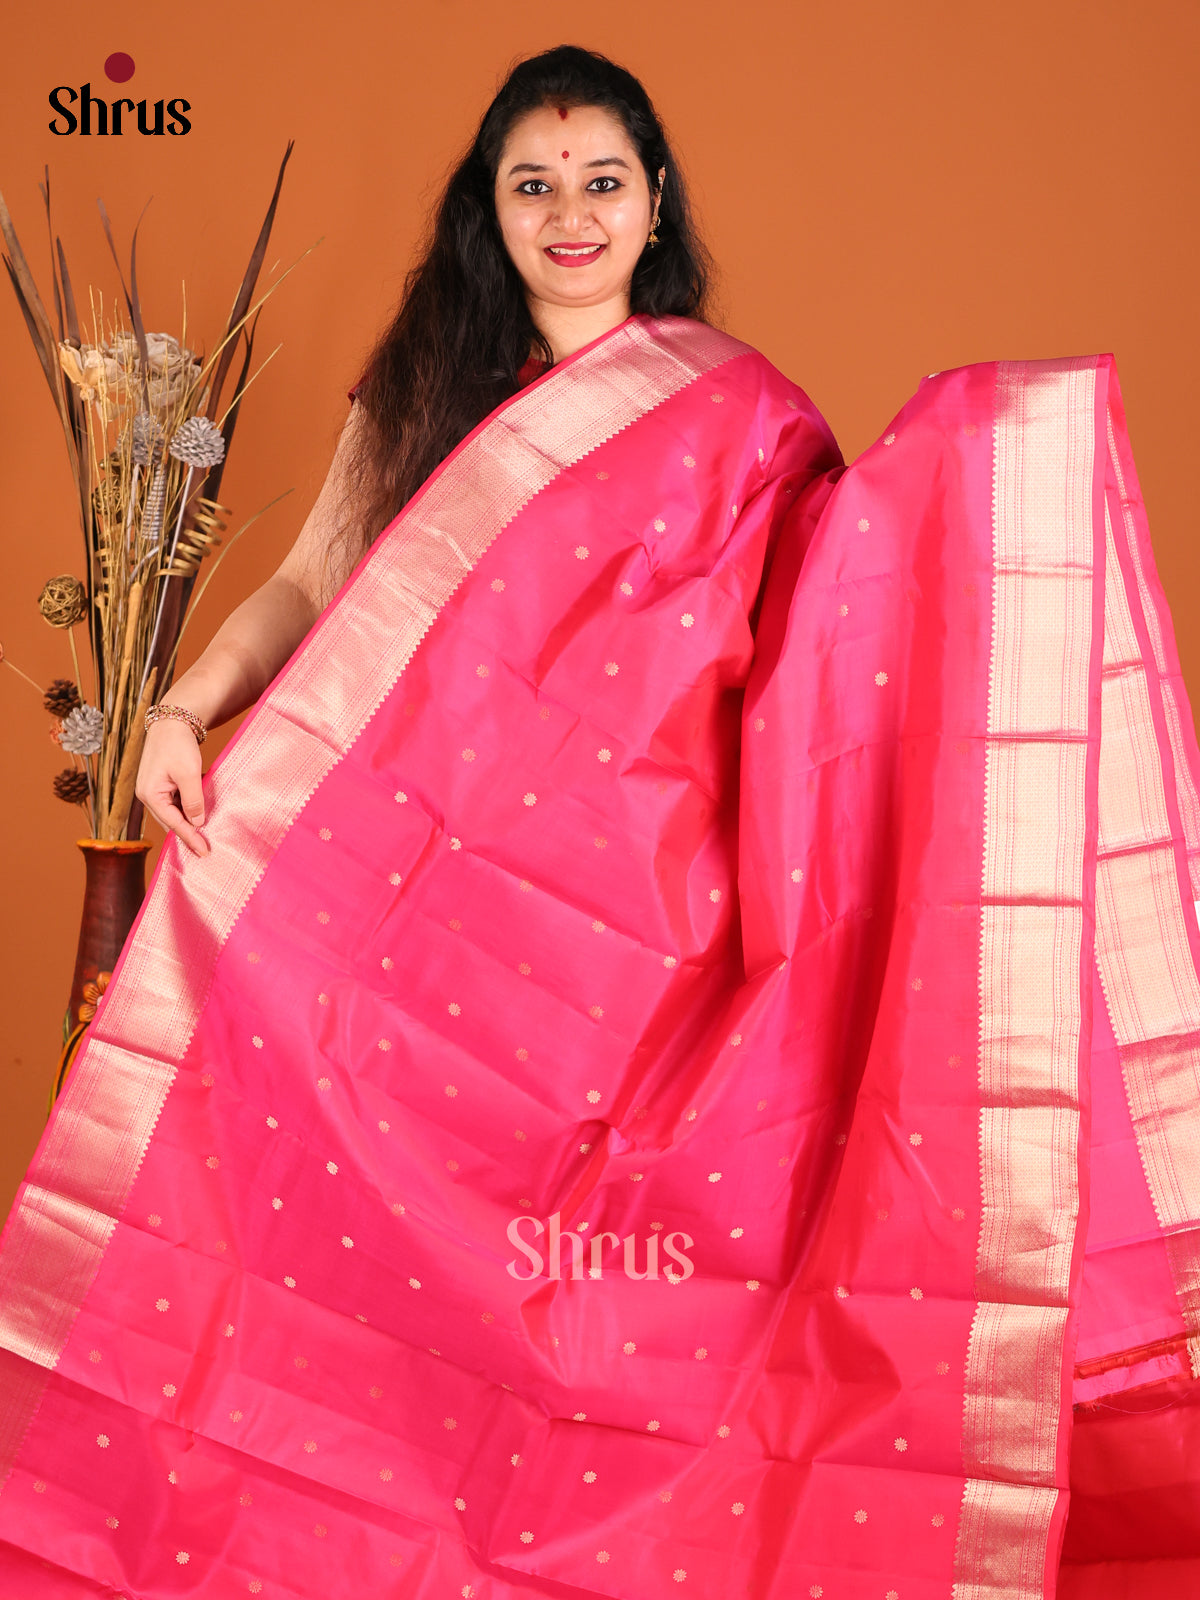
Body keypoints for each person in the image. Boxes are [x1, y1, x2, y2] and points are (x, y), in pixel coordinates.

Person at [0, 42, 1197, 1600]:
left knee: (626, 1296)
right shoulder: (427, 390)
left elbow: (837, 623)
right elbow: (307, 582)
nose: (570, 214)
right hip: (417, 906)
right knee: (284, 1151)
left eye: (602, 181)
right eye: (535, 185)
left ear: (654, 202)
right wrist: (179, 708)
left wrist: (988, 469)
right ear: (488, 211)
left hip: (630, 938)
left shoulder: (736, 412)